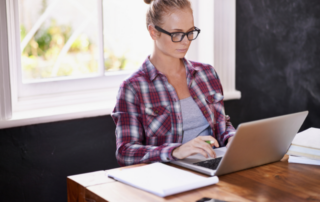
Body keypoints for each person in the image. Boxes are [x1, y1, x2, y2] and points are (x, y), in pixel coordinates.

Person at [111, 0, 236, 166]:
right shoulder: (133, 88)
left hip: (213, 164)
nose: (186, 41)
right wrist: (176, 151)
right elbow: (126, 152)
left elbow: (222, 125)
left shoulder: (207, 74)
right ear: (153, 32)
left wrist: (233, 138)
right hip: (168, 175)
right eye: (177, 34)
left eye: (190, 32)